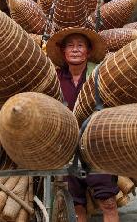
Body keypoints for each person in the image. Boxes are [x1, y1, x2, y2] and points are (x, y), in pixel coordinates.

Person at [46, 27, 120, 222]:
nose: (75, 49)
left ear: (88, 51)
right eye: (70, 46)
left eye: (80, 45)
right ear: (63, 52)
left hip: (98, 146)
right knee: (77, 204)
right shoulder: (55, 78)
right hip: (68, 148)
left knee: (109, 203)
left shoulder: (100, 73)